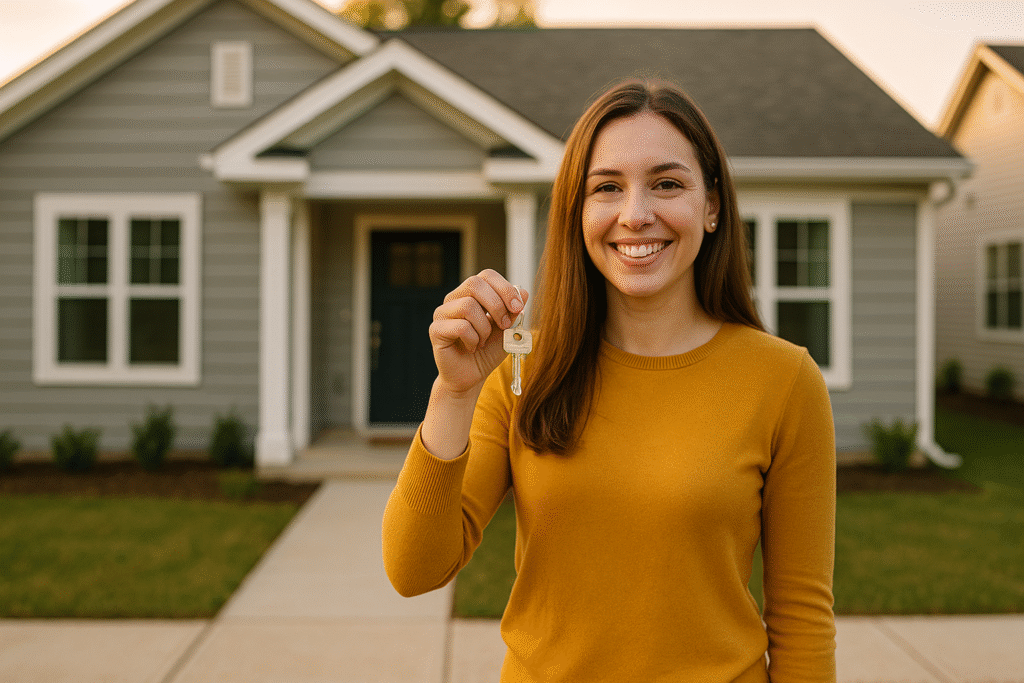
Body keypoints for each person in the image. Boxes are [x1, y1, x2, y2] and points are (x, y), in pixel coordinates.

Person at [382, 80, 836, 682]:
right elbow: (414, 571)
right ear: (578, 210)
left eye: (667, 184)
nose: (636, 215)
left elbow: (802, 622)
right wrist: (454, 393)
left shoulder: (784, 380)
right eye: (607, 188)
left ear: (713, 206)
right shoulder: (520, 372)